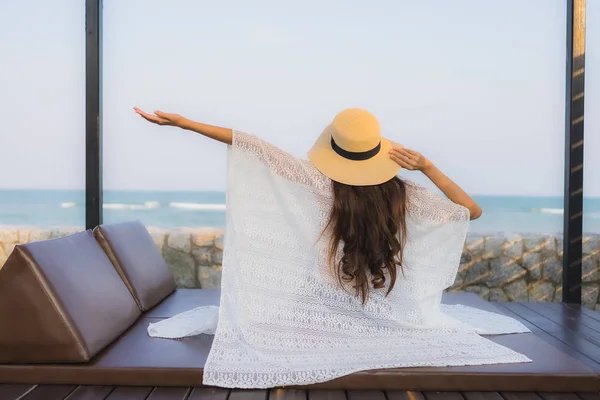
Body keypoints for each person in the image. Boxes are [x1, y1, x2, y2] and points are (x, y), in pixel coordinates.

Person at [134, 106, 530, 389]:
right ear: (376, 151)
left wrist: (185, 124)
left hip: (322, 307)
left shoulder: (315, 183)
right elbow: (470, 212)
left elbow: (252, 146)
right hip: (381, 307)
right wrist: (425, 165)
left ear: (334, 149)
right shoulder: (401, 194)